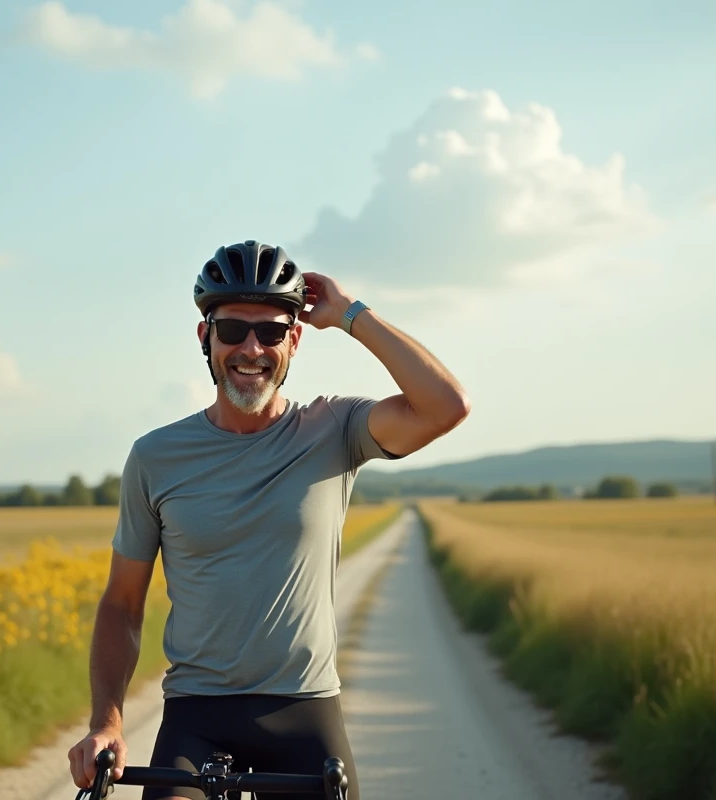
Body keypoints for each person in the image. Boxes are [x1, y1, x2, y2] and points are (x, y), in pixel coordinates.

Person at [67, 240, 470, 799]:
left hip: (304, 708)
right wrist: (107, 723)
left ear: (294, 341)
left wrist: (350, 314)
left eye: (272, 332)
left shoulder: (335, 429)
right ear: (206, 337)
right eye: (233, 330)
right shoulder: (155, 456)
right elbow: (121, 604)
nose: (251, 348)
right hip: (196, 715)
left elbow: (446, 406)